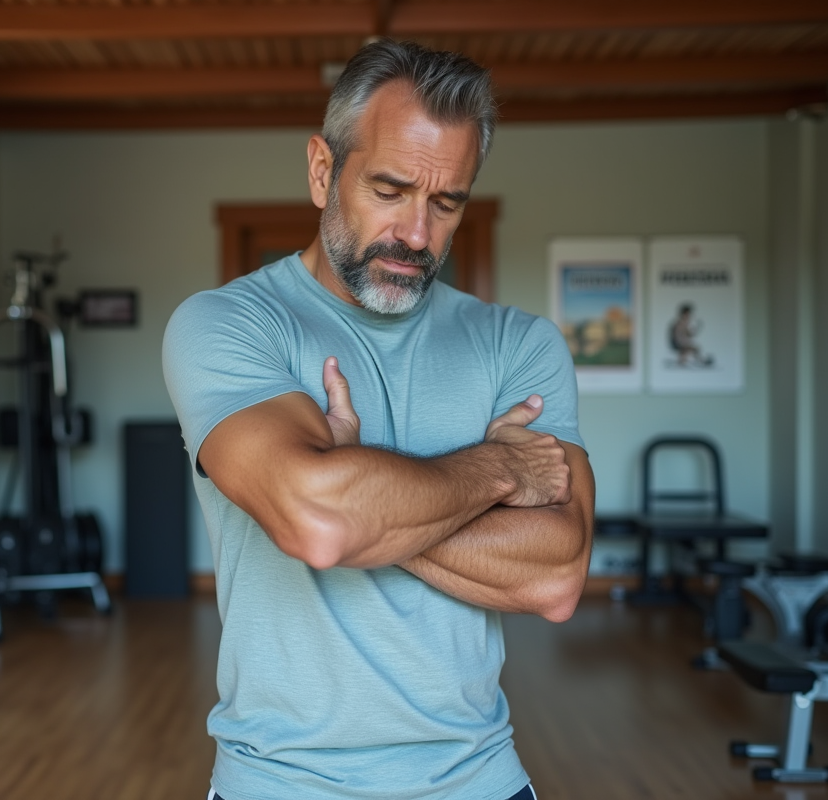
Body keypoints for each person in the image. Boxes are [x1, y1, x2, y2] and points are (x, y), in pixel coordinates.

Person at [163, 39, 595, 800]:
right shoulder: (227, 325)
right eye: (390, 190)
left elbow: (558, 573)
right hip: (278, 783)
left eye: (447, 202)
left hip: (482, 781)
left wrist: (365, 499)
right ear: (323, 171)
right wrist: (501, 469)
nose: (418, 235)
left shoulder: (517, 346)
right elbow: (320, 521)